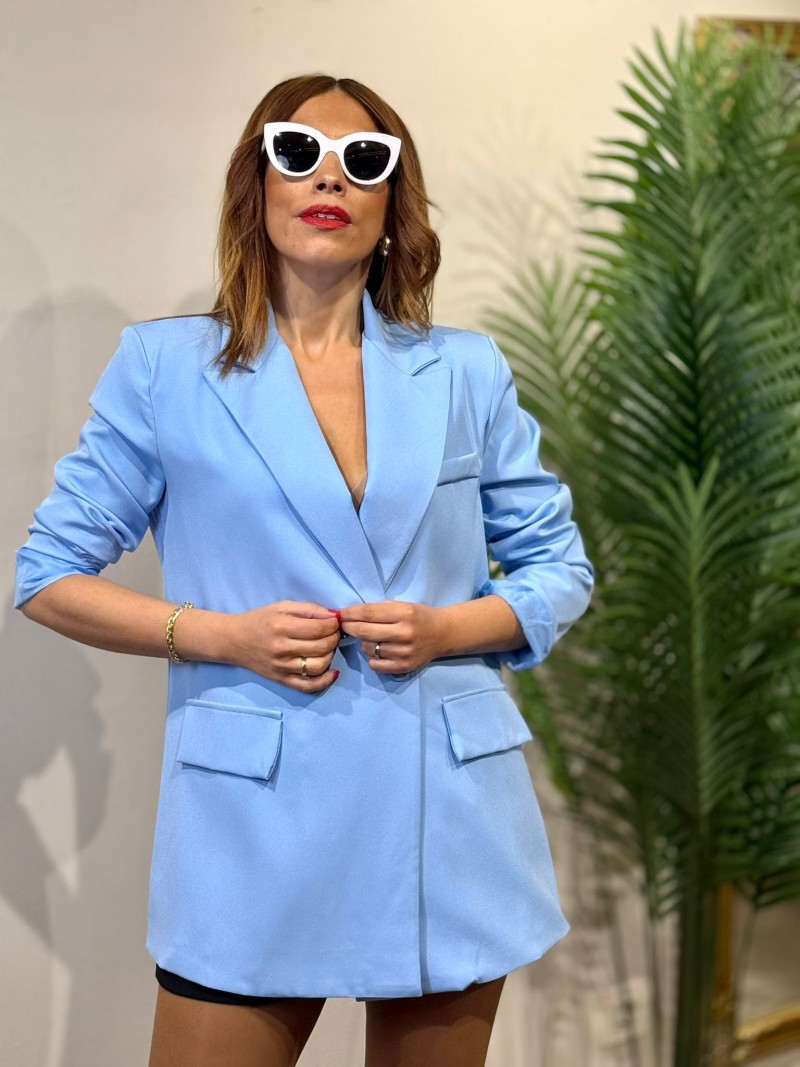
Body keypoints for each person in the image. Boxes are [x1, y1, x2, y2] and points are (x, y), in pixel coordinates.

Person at [14, 74, 593, 1067]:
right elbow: (47, 573)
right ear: (258, 183)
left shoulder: (464, 370)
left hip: (446, 815)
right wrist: (218, 634)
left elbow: (557, 564)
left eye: (364, 160)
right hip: (254, 822)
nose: (330, 177)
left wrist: (448, 628)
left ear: (390, 204)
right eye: (297, 151)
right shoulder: (165, 369)